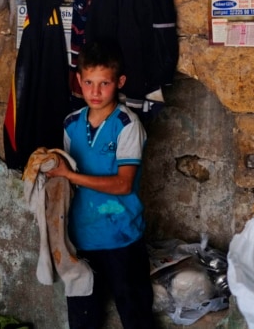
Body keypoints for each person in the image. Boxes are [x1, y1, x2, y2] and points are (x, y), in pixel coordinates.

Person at [45, 41, 155, 329]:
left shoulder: (127, 124)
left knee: (136, 317)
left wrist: (69, 175)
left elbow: (123, 185)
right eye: (89, 82)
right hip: (80, 239)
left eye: (104, 83)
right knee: (83, 320)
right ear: (78, 81)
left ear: (119, 82)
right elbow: (65, 182)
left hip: (121, 238)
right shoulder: (71, 124)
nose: (95, 92)